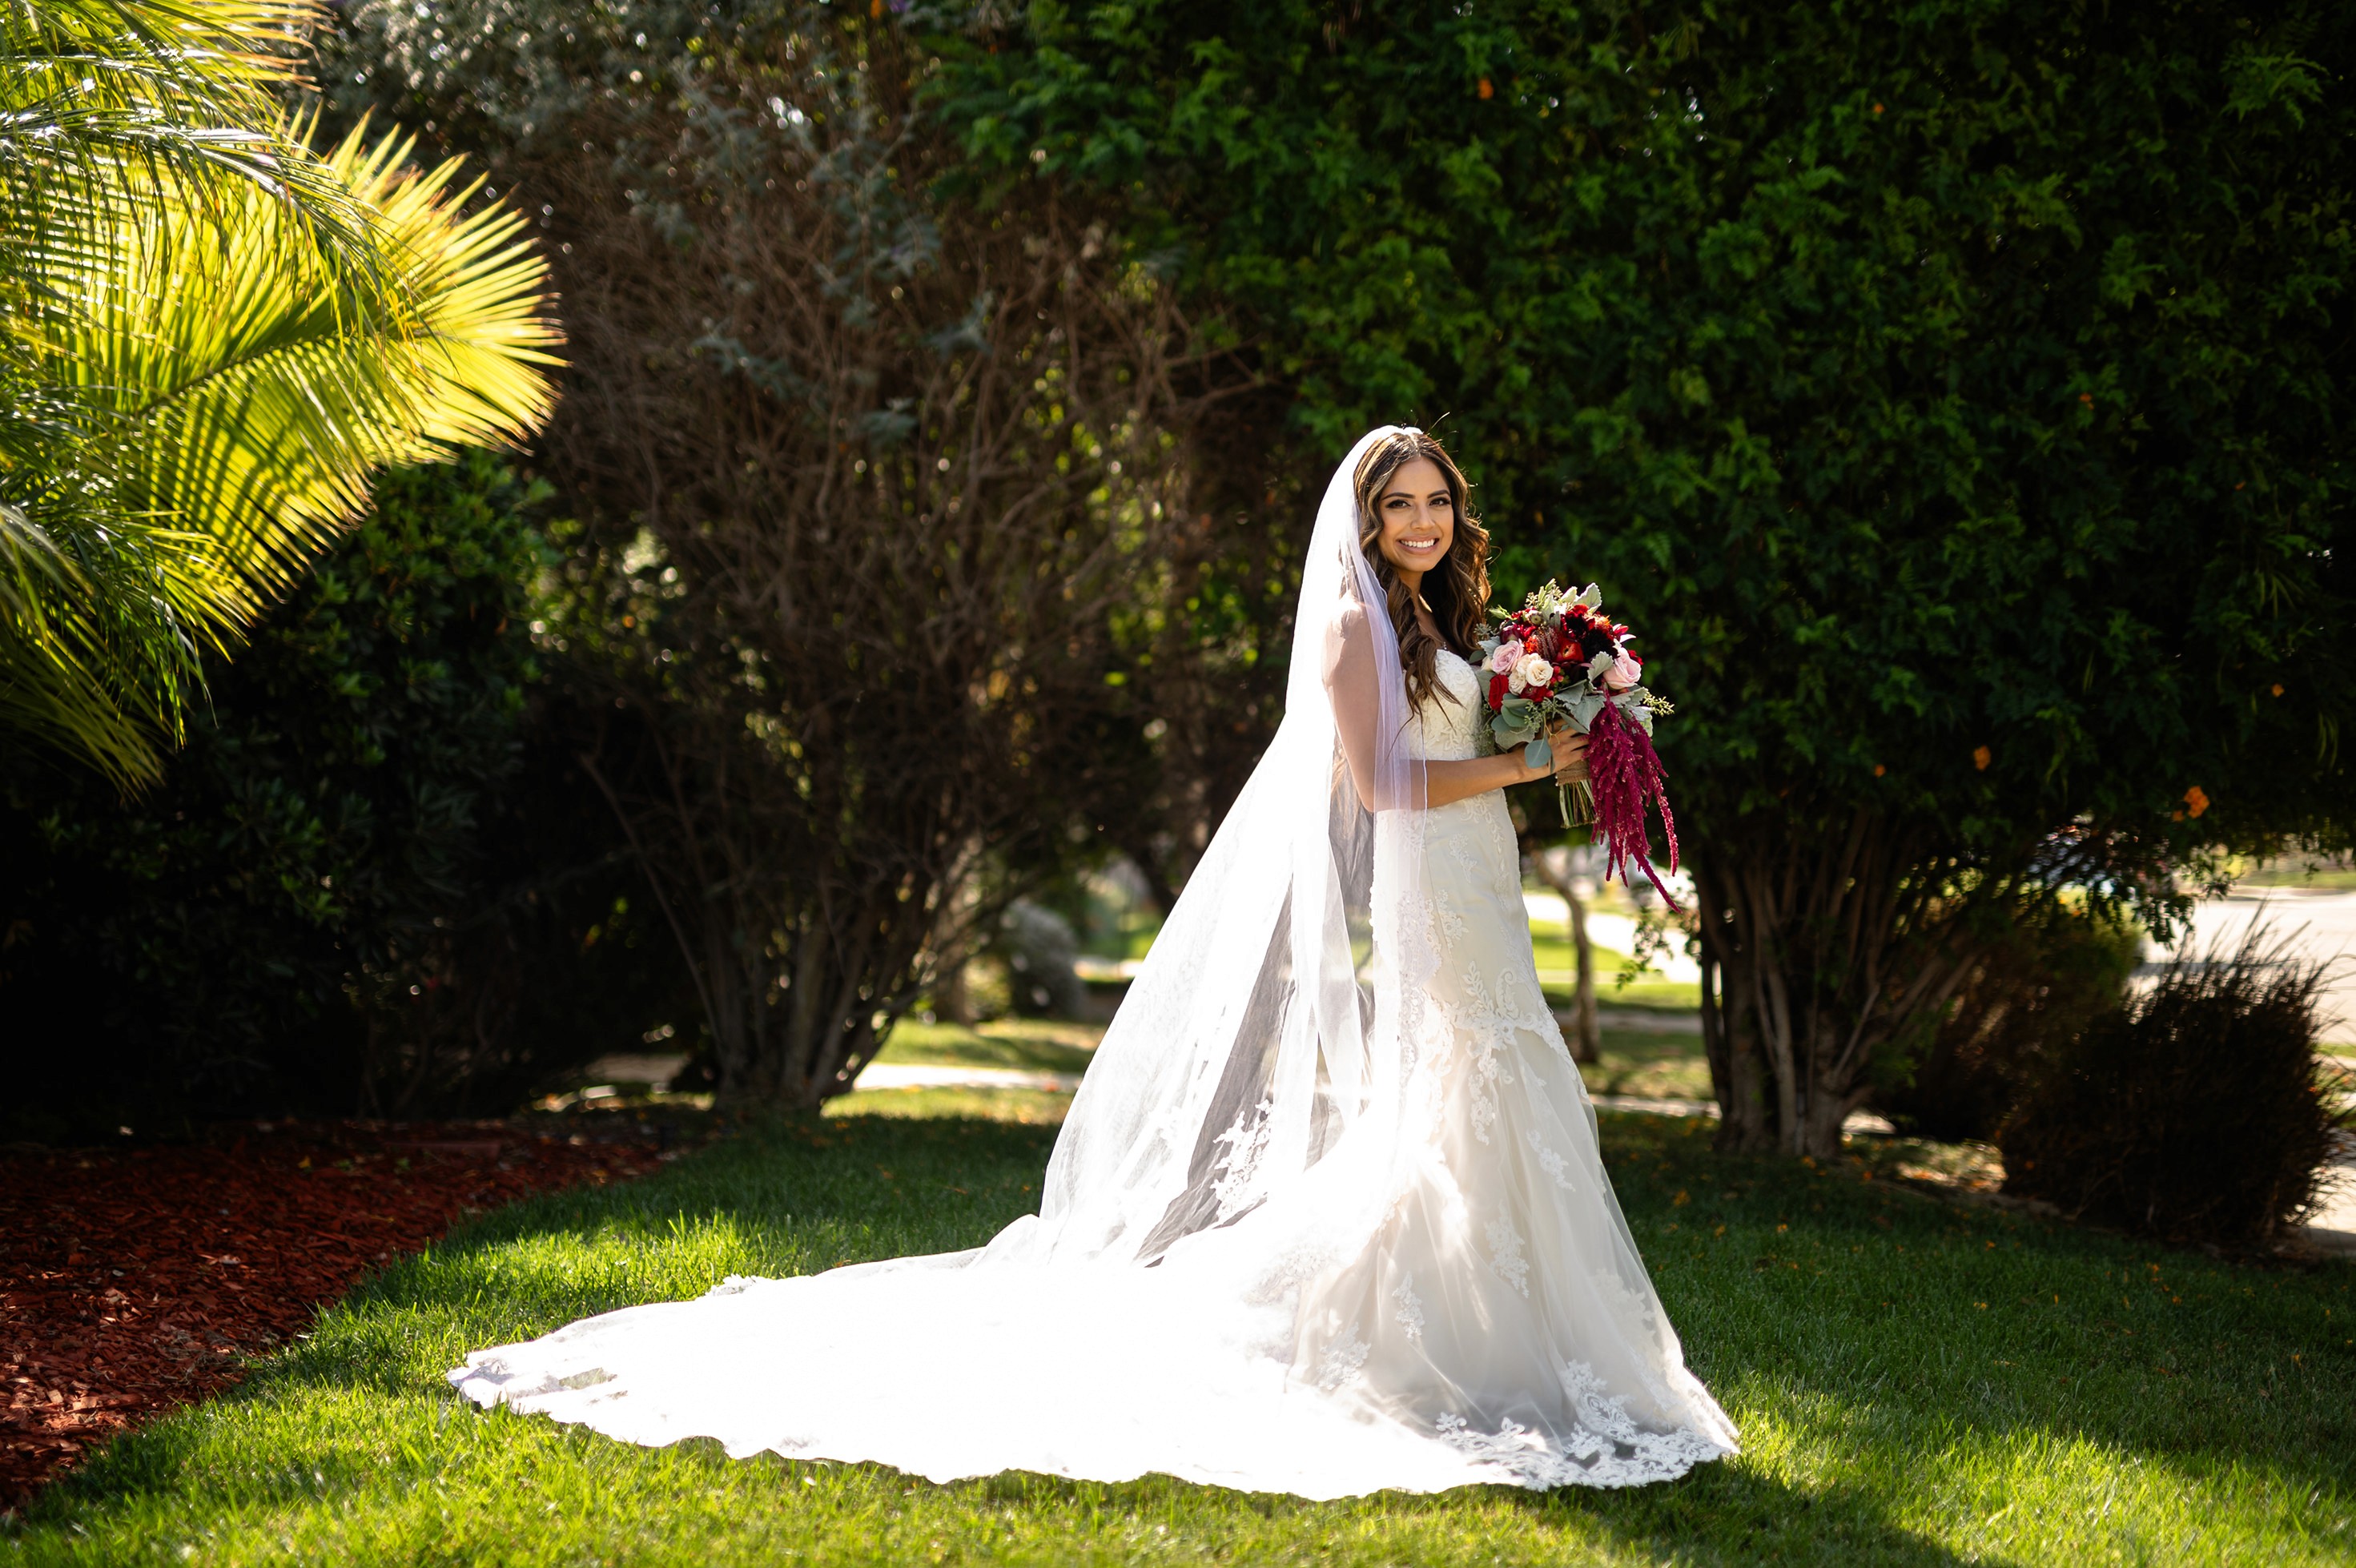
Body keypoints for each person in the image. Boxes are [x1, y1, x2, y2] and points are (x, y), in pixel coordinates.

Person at [450, 428, 1737, 1497]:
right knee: (1471, 1081)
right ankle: (1439, 1339)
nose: (1420, 519)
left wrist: (1561, 711)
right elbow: (1381, 781)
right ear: (1362, 517)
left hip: (1480, 889)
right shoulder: (1352, 622)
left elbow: (1457, 758)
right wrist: (1528, 760)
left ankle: (1510, 1338)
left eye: (1436, 501)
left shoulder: (1442, 616)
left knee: (1480, 1096)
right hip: (1430, 902)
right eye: (1396, 503)